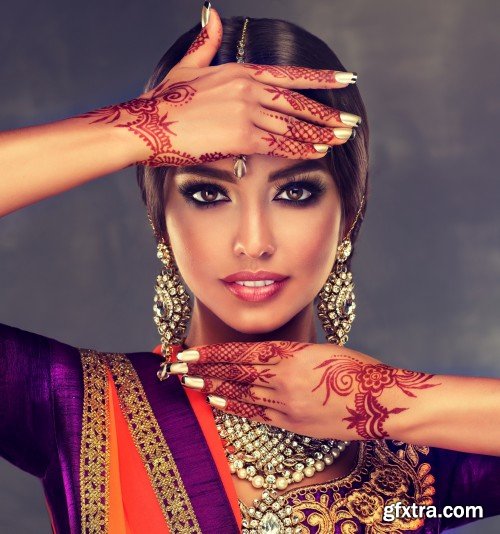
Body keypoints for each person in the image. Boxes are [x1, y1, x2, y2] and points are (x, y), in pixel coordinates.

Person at [1, 3, 499, 533]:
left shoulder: (420, 475)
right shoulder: (75, 410)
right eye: (208, 193)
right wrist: (134, 129)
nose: (253, 242)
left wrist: (387, 402)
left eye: (296, 191)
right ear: (159, 220)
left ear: (348, 214)